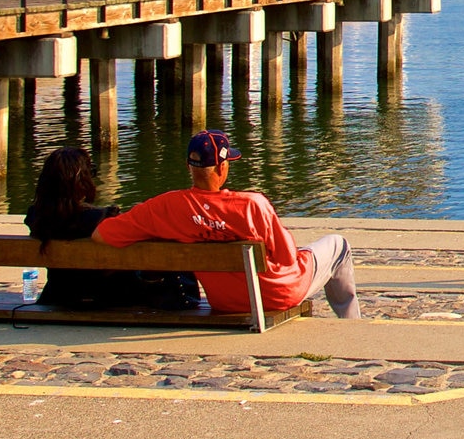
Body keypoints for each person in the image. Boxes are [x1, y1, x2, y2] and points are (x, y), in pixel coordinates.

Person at [92, 131, 361, 319]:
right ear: (222, 168)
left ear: (190, 167)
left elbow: (103, 235)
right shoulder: (252, 205)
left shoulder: (165, 207)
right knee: (339, 246)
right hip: (280, 293)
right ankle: (353, 325)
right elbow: (287, 257)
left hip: (226, 301)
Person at [25, 147, 198, 311]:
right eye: (91, 173)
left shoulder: (36, 219)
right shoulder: (102, 219)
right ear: (82, 181)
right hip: (112, 296)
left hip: (62, 294)